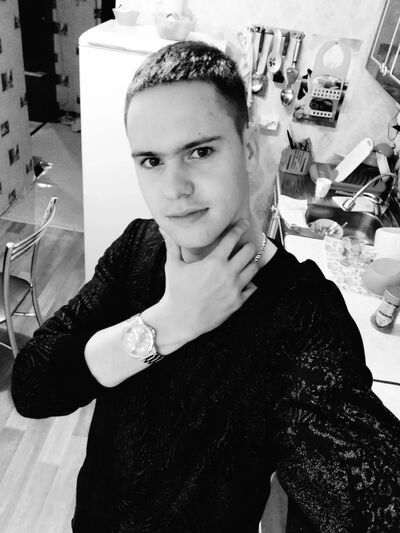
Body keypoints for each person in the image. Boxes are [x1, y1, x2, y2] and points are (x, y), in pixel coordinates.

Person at [11, 40, 400, 532]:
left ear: (249, 150)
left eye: (199, 151)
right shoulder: (138, 247)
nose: (174, 189)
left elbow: (363, 496)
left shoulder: (304, 314)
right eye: (151, 160)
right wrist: (169, 321)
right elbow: (32, 385)